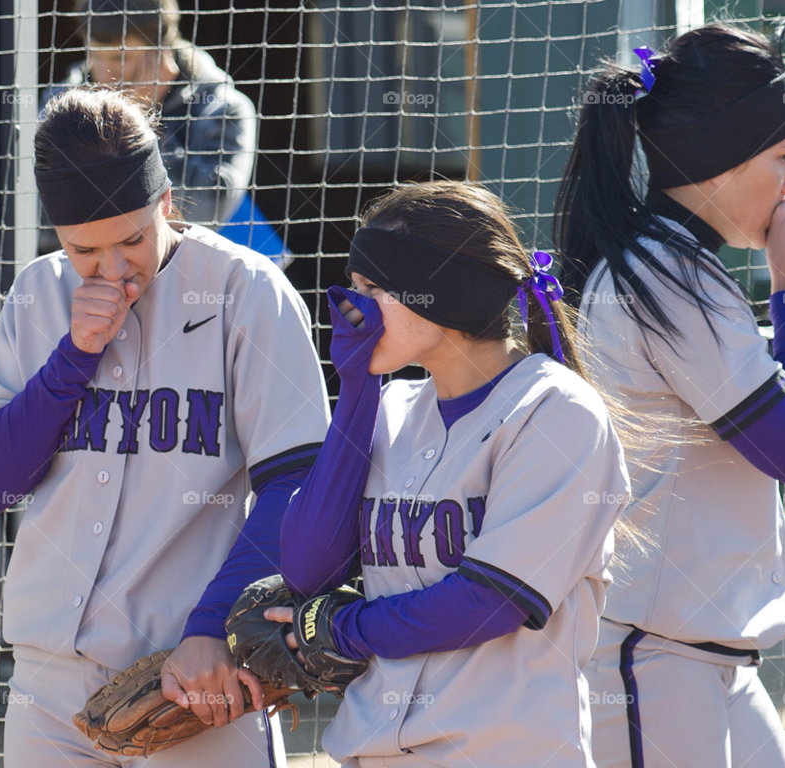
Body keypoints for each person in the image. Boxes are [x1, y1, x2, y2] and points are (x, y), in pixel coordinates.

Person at [0, 87, 329, 766]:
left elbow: (298, 485)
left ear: (165, 202)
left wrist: (215, 629)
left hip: (194, 674)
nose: (113, 268)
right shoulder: (38, 295)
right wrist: (72, 358)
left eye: (132, 239)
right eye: (85, 251)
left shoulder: (246, 290)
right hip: (50, 685)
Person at [267, 180, 635, 767]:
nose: (349, 307)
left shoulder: (555, 412)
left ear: (439, 293)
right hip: (374, 751)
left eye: (371, 288)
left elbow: (487, 603)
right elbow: (308, 567)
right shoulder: (389, 413)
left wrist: (344, 628)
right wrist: (359, 388)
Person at [555, 21, 785, 768]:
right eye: (783, 158)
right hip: (654, 658)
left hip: (698, 655)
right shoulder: (662, 273)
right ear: (723, 158)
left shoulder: (669, 264)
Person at [38, 0, 274, 258]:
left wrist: (140, 121)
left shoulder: (223, 108)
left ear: (162, 51)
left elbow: (204, 214)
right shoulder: (58, 106)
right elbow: (39, 221)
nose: (105, 72)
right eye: (94, 55)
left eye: (119, 58)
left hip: (189, 276)